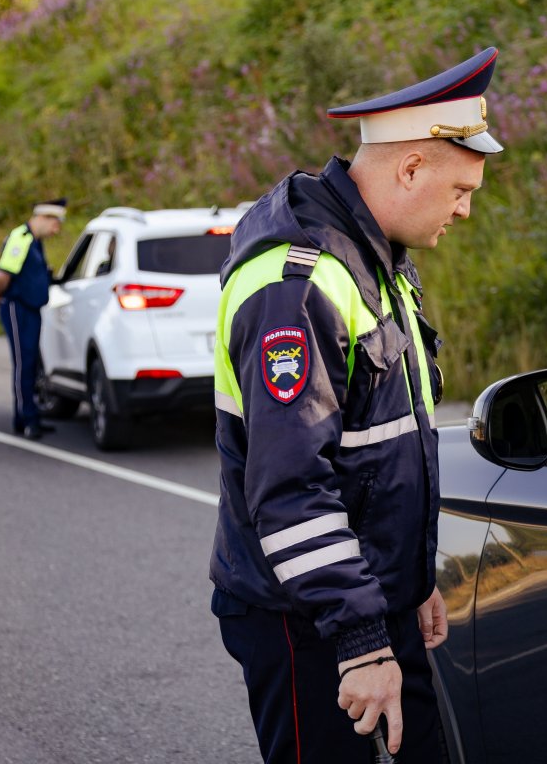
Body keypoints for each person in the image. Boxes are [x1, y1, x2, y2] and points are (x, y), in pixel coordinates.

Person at [210, 47, 502, 764]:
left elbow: (386, 446)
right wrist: (363, 638)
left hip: (368, 600)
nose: (466, 209)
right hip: (308, 620)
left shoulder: (376, 261)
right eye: (461, 188)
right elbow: (290, 490)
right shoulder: (298, 282)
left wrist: (411, 582)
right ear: (410, 169)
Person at [0, 199, 66, 440]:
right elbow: (3, 274)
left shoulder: (36, 242)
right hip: (17, 308)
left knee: (30, 363)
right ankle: (27, 419)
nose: (57, 229)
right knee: (24, 363)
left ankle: (25, 416)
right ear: (42, 218)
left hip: (31, 309)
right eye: (55, 223)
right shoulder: (21, 238)